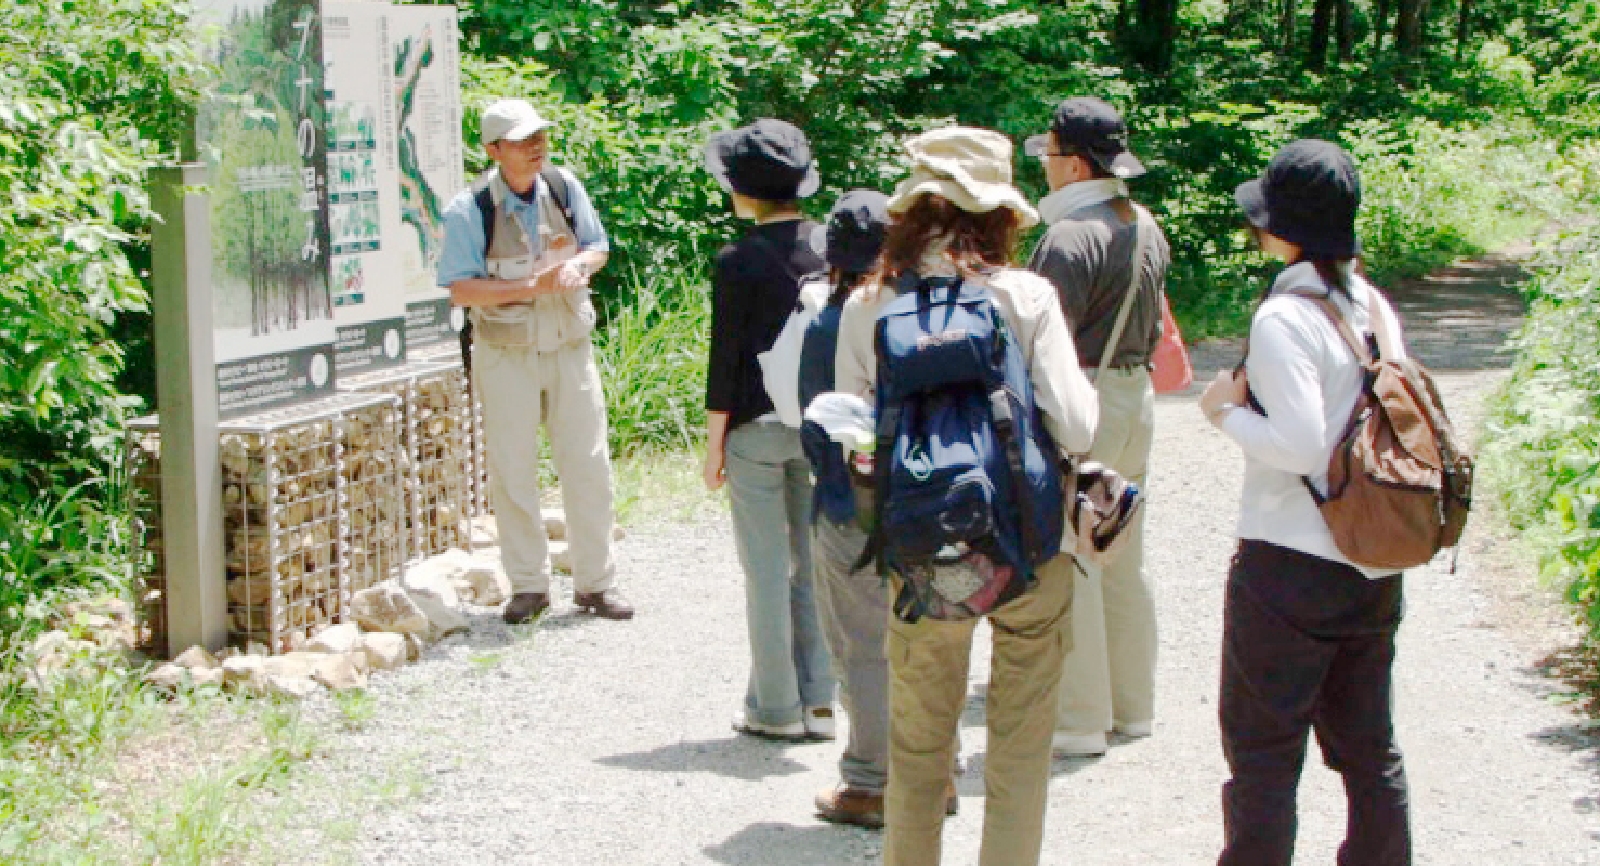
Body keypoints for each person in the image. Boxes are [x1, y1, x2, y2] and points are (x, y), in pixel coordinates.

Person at [835, 126, 1098, 866]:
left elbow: (848, 432)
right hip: (1027, 548)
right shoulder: (1027, 295)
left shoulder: (869, 304)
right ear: (1000, 215)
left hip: (924, 556)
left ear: (911, 210)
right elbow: (1076, 425)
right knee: (1017, 745)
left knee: (919, 748)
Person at [1199, 138, 1412, 865]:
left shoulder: (1285, 317)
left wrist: (1222, 412)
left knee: (1263, 755)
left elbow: (1299, 446)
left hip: (1288, 566)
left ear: (1282, 227)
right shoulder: (1372, 305)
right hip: (1373, 558)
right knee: (1368, 751)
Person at [437, 98, 632, 623]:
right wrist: (532, 285)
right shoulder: (469, 209)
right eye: (522, 141)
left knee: (588, 465)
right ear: (493, 150)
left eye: (539, 136)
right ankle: (528, 587)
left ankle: (596, 585)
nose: (535, 147)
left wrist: (582, 267)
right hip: (505, 354)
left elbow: (598, 246)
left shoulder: (565, 188)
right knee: (513, 471)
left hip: (570, 346)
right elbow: (460, 289)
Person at [1024, 96, 1170, 757]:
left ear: (1076, 164)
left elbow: (1040, 342)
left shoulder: (1069, 238)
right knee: (1120, 553)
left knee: (1071, 553)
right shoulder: (1144, 223)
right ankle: (1132, 706)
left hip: (1083, 397)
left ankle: (1080, 719)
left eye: (1049, 155)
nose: (1044, 169)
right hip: (1133, 400)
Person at [702, 119, 836, 741]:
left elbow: (723, 364)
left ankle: (775, 708)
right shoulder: (831, 249)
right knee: (813, 567)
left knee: (765, 569)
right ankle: (820, 701)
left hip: (755, 433)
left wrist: (713, 450)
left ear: (744, 191)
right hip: (819, 429)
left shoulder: (736, 261)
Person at [794, 190, 898, 826]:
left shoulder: (829, 322)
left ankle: (870, 780)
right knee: (921, 636)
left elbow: (812, 423)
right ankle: (935, 769)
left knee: (862, 644)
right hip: (926, 497)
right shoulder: (922, 307)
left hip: (847, 499)